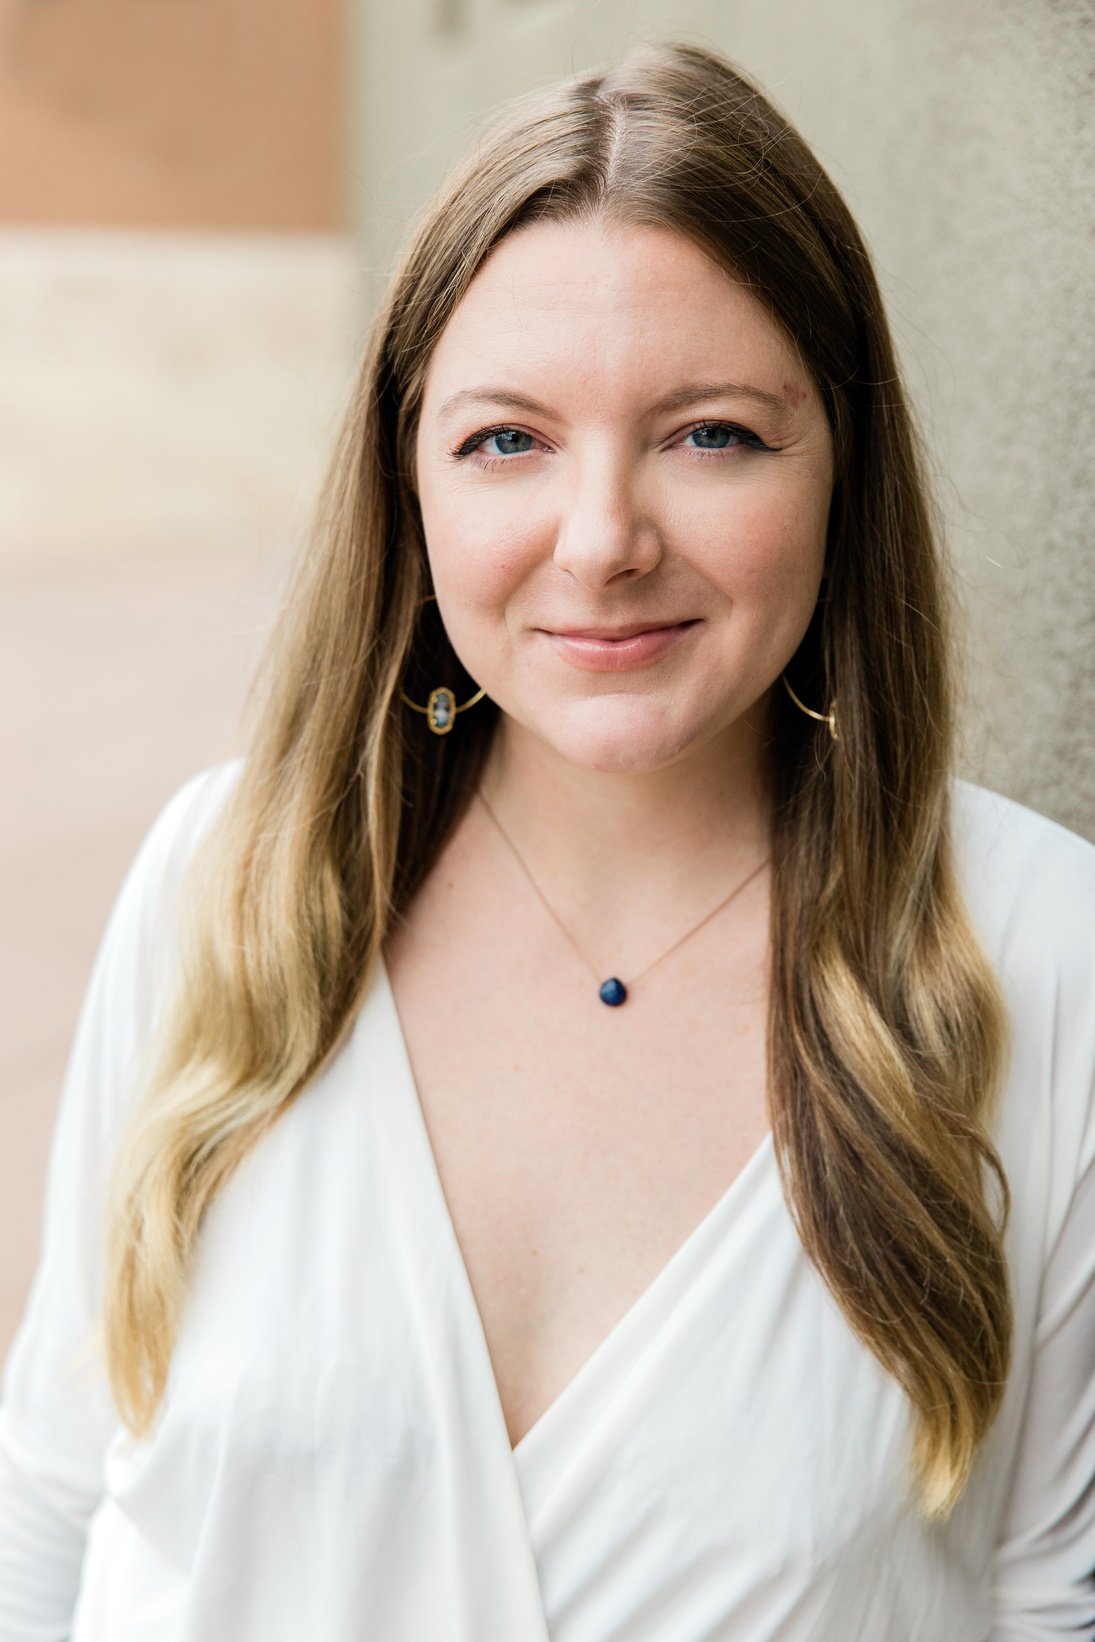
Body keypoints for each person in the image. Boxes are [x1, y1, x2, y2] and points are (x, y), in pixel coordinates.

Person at [1, 38, 1093, 1642]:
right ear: (412, 479)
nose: (602, 542)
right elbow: (53, 1501)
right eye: (507, 439)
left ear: (841, 467)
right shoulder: (227, 877)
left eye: (711, 433)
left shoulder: (1044, 955)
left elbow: (1046, 1594)